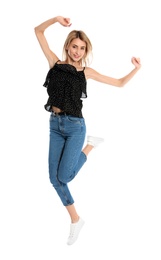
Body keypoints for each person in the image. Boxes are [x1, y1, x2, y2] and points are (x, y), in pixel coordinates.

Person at [34, 15, 141, 245]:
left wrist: (136, 69)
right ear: (68, 46)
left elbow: (119, 83)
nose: (77, 51)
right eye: (74, 46)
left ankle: (90, 145)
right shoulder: (55, 63)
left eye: (82, 48)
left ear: (85, 51)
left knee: (62, 177)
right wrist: (55, 19)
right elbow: (38, 32)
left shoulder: (86, 72)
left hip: (75, 128)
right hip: (55, 125)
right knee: (54, 179)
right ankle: (76, 220)